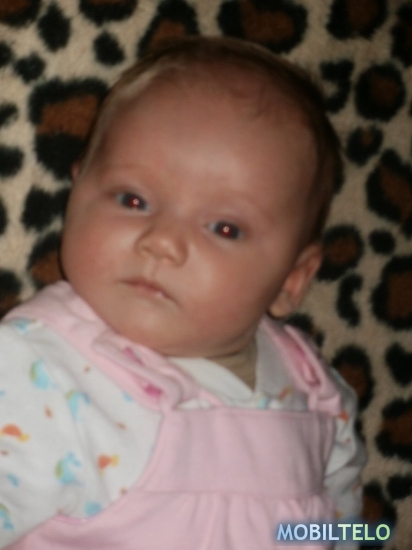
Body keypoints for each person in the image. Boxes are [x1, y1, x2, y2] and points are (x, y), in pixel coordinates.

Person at [0, 36, 364, 549]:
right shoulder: (38, 369)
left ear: (292, 280)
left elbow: (341, 523)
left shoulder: (317, 393)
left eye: (224, 229)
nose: (163, 243)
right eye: (133, 200)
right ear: (76, 193)